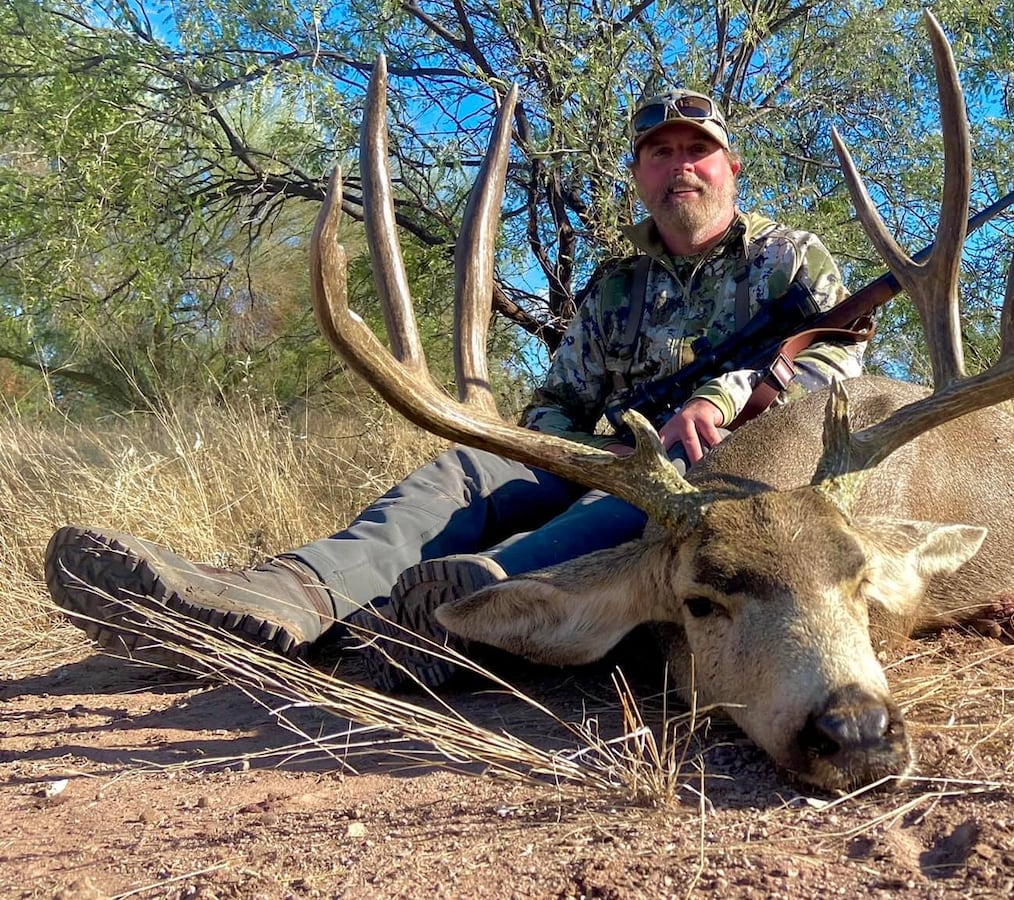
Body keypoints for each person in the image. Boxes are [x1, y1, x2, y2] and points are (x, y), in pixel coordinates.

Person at [43, 87, 865, 689]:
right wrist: (556, 442)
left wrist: (719, 399)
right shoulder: (617, 285)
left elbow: (838, 369)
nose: (679, 166)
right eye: (660, 153)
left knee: (610, 514)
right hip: (601, 453)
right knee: (467, 468)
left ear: (730, 166)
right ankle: (276, 598)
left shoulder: (791, 260)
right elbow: (558, 397)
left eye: (696, 151)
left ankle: (449, 616)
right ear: (640, 175)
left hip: (709, 480)